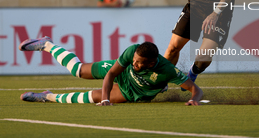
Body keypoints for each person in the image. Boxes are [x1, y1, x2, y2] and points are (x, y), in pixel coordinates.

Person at [19, 36, 203, 106]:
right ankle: (47, 44)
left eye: (139, 64)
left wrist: (194, 100)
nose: (134, 64)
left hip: (133, 92)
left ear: (151, 63)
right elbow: (111, 74)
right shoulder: (133, 52)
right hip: (122, 75)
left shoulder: (168, 70)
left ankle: (48, 97)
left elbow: (196, 89)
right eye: (134, 60)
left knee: (90, 97)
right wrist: (106, 99)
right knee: (78, 71)